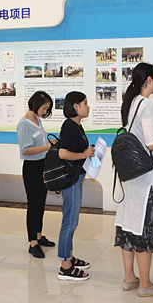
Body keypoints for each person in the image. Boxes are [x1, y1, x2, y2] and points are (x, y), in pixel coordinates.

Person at [114, 63, 153, 297]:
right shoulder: (147, 104)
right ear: (148, 80)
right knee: (144, 230)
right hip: (146, 179)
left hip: (131, 178)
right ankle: (146, 285)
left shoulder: (130, 103)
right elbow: (151, 143)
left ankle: (130, 277)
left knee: (129, 225)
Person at [56, 91, 95, 281]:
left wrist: (89, 153)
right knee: (70, 222)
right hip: (71, 181)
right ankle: (65, 267)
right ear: (75, 106)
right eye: (85, 103)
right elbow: (63, 153)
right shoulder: (71, 126)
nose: (88, 107)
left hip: (76, 178)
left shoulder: (76, 126)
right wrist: (84, 155)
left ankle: (69, 257)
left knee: (72, 220)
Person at [16, 91, 56, 259]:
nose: (45, 112)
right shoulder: (24, 124)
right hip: (32, 168)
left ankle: (39, 236)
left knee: (40, 204)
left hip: (42, 165)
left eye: (47, 109)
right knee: (33, 205)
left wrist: (51, 143)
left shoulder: (37, 121)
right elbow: (25, 150)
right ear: (35, 104)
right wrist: (47, 147)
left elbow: (41, 142)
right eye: (44, 108)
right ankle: (33, 243)